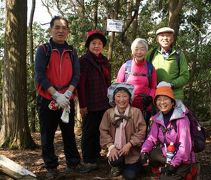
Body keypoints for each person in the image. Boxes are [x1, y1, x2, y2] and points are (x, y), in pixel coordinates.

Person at [35, 16, 86, 178]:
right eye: (57, 27)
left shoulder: (72, 51)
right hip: (47, 99)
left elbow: (76, 74)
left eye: (64, 28)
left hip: (67, 100)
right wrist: (56, 95)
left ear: (68, 31)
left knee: (69, 133)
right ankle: (51, 167)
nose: (61, 31)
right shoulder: (43, 50)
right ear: (51, 29)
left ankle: (74, 164)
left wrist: (68, 93)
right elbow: (40, 75)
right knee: (47, 134)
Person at [140, 82, 196, 179]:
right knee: (151, 155)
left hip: (183, 158)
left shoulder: (182, 119)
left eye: (165, 99)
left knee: (164, 179)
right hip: (168, 154)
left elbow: (185, 148)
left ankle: (191, 170)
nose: (162, 102)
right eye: (159, 99)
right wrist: (144, 152)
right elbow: (151, 139)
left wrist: (173, 164)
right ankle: (167, 170)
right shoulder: (157, 119)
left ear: (172, 102)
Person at [77, 29, 111, 171]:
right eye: (93, 43)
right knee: (89, 131)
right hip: (90, 103)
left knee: (99, 130)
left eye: (99, 43)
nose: (96, 46)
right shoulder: (83, 61)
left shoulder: (104, 61)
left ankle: (96, 155)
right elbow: (81, 84)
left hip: (103, 101)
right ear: (88, 45)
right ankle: (88, 159)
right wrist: (83, 105)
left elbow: (108, 82)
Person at [99, 82, 146, 179]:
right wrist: (111, 147)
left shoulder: (136, 112)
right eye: (118, 96)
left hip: (133, 152)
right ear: (113, 97)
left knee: (130, 176)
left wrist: (129, 144)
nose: (121, 99)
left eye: (125, 96)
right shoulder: (109, 113)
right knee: (115, 161)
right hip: (115, 150)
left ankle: (134, 166)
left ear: (129, 98)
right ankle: (117, 166)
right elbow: (103, 131)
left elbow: (141, 131)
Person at [117, 38, 157, 127]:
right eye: (136, 49)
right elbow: (118, 86)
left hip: (145, 107)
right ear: (132, 51)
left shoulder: (150, 68)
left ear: (146, 51)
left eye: (142, 49)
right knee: (126, 132)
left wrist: (150, 97)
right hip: (127, 107)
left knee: (142, 133)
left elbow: (154, 87)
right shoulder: (126, 66)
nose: (139, 52)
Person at [147, 27, 189, 100]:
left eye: (168, 35)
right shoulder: (151, 53)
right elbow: (142, 68)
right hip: (157, 96)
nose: (165, 38)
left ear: (172, 39)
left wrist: (171, 84)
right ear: (157, 39)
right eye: (162, 35)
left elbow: (185, 76)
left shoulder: (178, 55)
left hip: (175, 97)